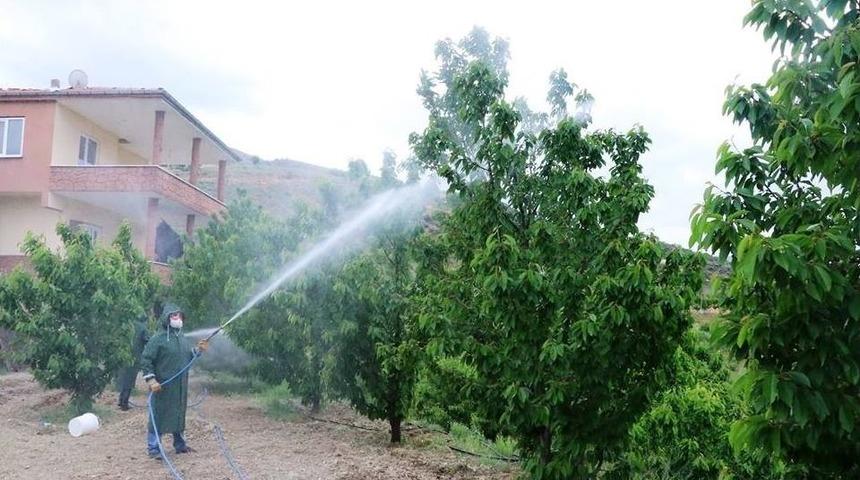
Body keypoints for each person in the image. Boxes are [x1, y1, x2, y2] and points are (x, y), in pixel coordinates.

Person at [140, 302, 208, 459]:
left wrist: (198, 350)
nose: (177, 318)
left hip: (179, 387)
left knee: (178, 414)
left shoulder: (182, 338)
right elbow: (146, 360)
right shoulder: (158, 339)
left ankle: (180, 445)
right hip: (162, 386)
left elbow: (187, 357)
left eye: (178, 315)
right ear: (166, 318)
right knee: (158, 416)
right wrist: (151, 380)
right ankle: (154, 448)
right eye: (173, 315)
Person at [117, 314, 150, 411]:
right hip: (134, 358)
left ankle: (121, 400)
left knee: (125, 379)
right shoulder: (142, 328)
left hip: (124, 356)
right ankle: (124, 404)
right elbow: (148, 341)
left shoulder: (128, 325)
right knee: (129, 381)